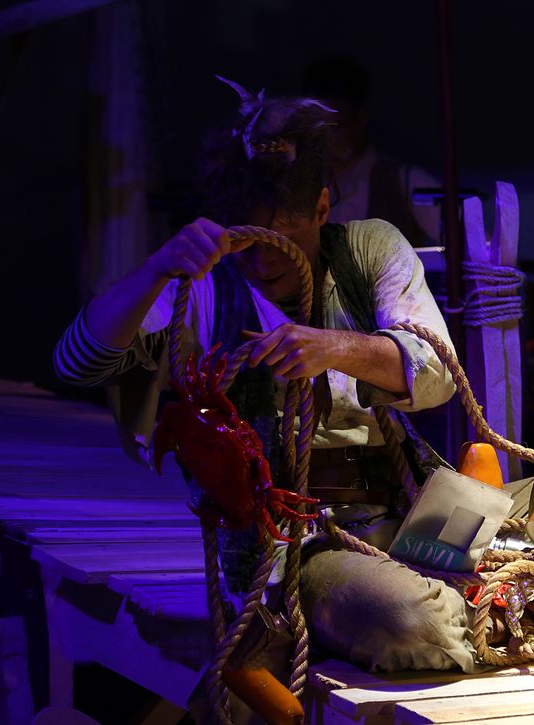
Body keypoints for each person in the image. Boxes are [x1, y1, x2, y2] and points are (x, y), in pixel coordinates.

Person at [53, 83, 477, 720]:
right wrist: (157, 268)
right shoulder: (205, 286)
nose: (261, 259)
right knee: (414, 622)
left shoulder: (368, 251)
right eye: (245, 238)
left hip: (406, 508)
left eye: (283, 233)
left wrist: (333, 347)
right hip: (293, 548)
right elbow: (78, 363)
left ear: (322, 206)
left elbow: (436, 372)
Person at [302, 56, 442, 247]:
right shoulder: (301, 186)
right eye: (320, 127)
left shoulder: (405, 181)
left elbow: (466, 243)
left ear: (359, 119)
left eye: (337, 126)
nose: (329, 138)